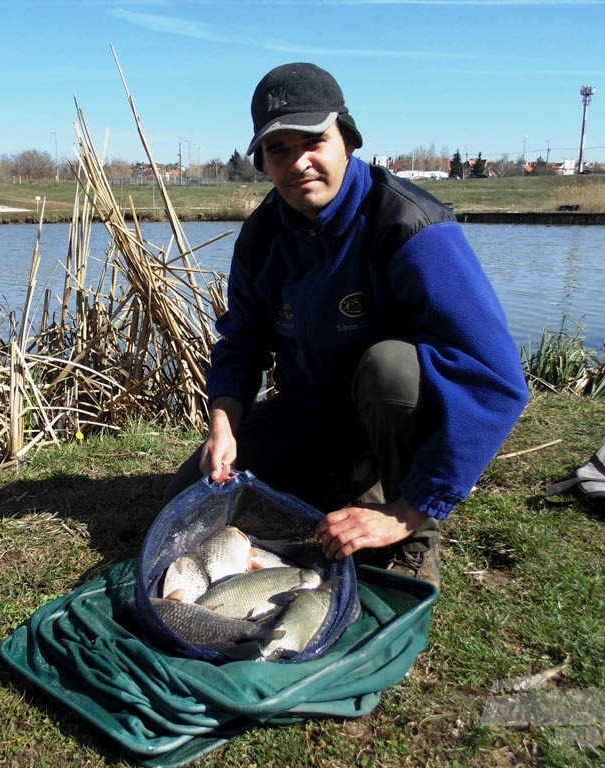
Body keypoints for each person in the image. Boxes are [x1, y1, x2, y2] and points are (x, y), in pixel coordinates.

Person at [163, 63, 529, 587]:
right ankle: (335, 488)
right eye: (279, 150)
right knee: (184, 505)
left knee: (392, 368)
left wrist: (409, 511)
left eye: (313, 141)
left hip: (391, 422)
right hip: (310, 415)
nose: (299, 163)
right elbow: (242, 341)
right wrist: (223, 424)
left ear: (348, 141)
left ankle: (412, 528)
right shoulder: (263, 236)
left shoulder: (410, 225)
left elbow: (494, 377)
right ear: (263, 163)